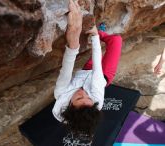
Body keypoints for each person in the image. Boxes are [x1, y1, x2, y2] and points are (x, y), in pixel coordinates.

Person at [52, 0, 122, 138]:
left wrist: (73, 41)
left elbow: (66, 68)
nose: (83, 92)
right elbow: (98, 69)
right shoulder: (97, 101)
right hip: (103, 75)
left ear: (69, 105)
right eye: (88, 97)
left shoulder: (60, 95)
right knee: (116, 40)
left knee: (98, 50)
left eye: (79, 97)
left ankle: (99, 31)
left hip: (85, 71)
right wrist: (95, 36)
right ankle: (100, 32)